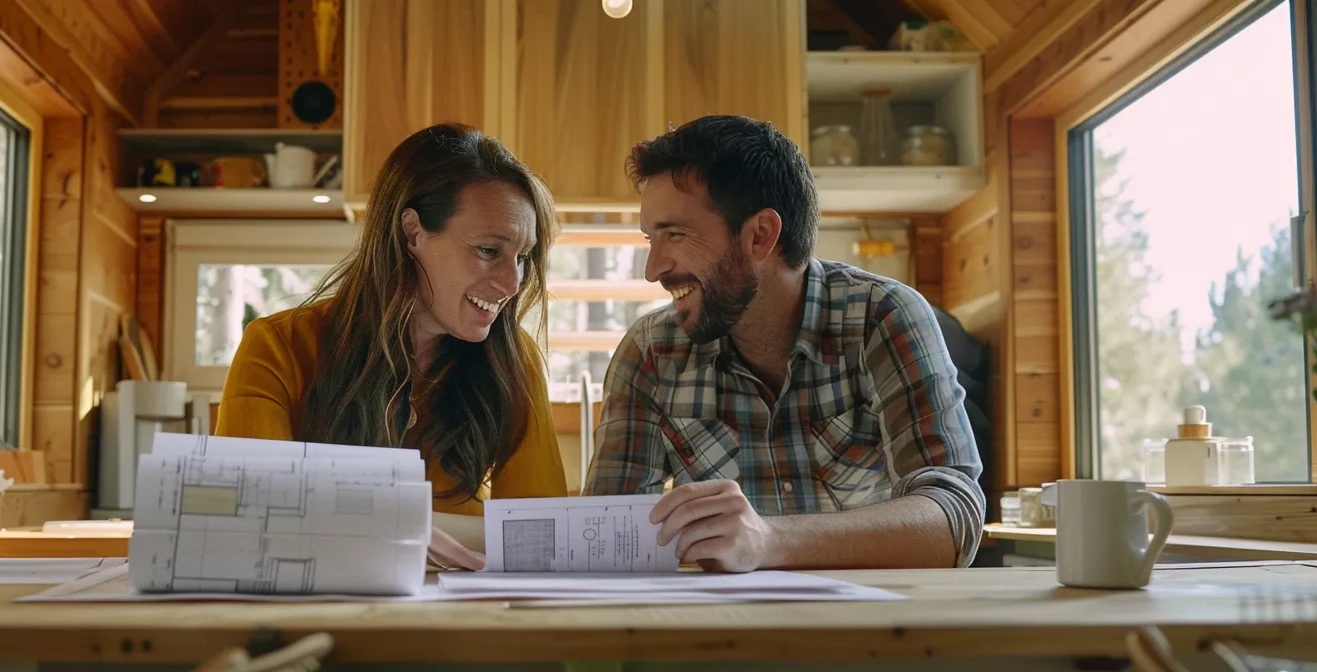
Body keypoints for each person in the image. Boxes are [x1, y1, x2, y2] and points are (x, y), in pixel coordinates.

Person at [583, 115, 986, 572]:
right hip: (721, 635)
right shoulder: (651, 351)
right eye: (649, 239)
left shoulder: (882, 316)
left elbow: (953, 520)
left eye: (674, 235)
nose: (652, 269)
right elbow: (608, 536)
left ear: (760, 235)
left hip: (869, 628)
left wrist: (769, 541)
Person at [216, 123, 566, 571]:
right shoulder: (278, 346)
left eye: (521, 258)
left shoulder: (513, 363)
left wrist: (348, 523)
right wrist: (397, 527)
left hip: (464, 625)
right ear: (412, 233)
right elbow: (250, 519)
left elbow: (541, 535)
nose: (512, 283)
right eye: (487, 250)